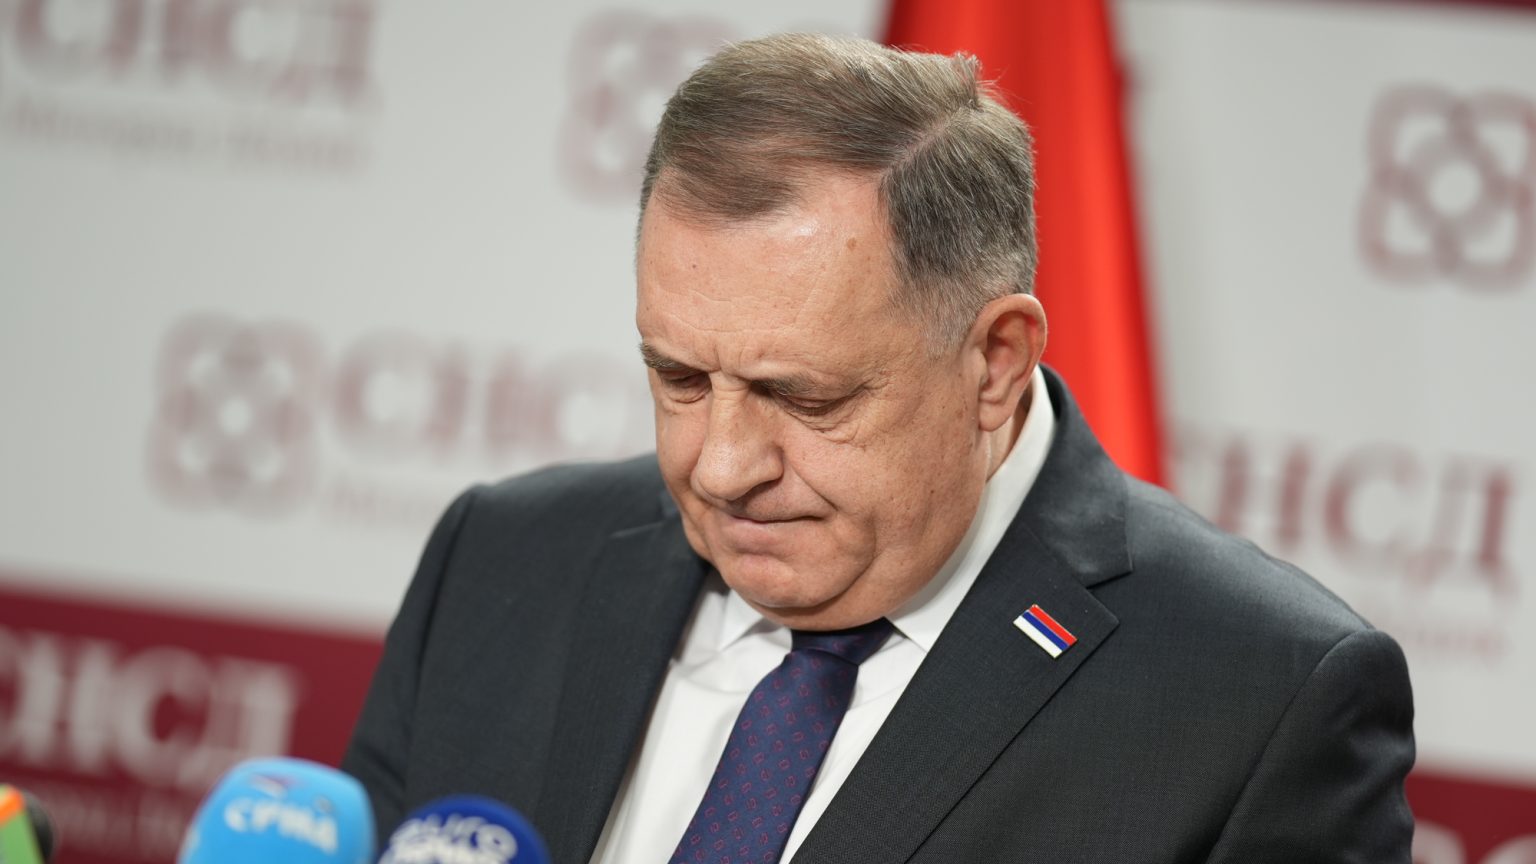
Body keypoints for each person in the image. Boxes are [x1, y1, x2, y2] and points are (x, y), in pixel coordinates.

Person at [344, 33, 1414, 863]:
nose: (722, 467)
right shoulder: (503, 559)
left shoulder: (1259, 700)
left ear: (995, 362)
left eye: (803, 398)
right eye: (680, 380)